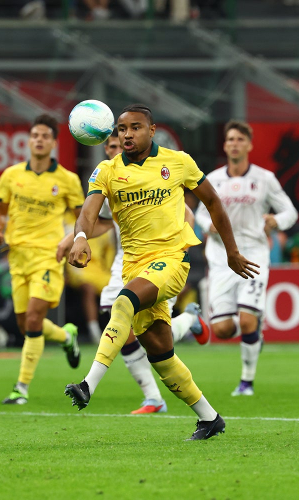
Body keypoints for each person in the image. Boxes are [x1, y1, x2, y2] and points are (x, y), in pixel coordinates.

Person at [64, 104, 258, 440]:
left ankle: (88, 384)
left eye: (135, 127)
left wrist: (232, 252)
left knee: (122, 303)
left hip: (171, 260)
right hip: (134, 266)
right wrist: (80, 237)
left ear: (152, 130)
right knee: (161, 354)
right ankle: (210, 419)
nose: (127, 134)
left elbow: (213, 202)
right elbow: (89, 213)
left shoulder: (178, 162)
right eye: (122, 129)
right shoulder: (106, 171)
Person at [58, 128, 211, 415]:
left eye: (121, 144)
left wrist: (178, 248)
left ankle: (188, 323)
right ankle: (157, 395)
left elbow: (187, 213)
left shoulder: (156, 172)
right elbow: (102, 221)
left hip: (162, 262)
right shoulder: (111, 177)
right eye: (111, 146)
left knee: (140, 324)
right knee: (130, 325)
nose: (117, 149)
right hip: (128, 261)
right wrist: (75, 238)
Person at [195, 120, 298, 396]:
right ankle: (255, 337)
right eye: (230, 139)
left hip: (253, 254)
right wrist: (207, 225)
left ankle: (246, 382)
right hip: (221, 259)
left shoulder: (265, 179)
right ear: (224, 145)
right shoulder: (213, 179)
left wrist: (276, 221)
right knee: (223, 330)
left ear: (249, 145)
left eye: (240, 139)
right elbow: (200, 214)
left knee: (247, 321)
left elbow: (290, 212)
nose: (235, 144)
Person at [0, 114, 82, 405]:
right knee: (25, 324)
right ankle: (66, 337)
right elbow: (1, 212)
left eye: (45, 136)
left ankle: (21, 388)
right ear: (28, 141)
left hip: (48, 255)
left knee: (32, 318)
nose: (39, 140)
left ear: (54, 143)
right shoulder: (11, 175)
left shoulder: (67, 180)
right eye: (34, 135)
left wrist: (71, 240)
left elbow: (82, 219)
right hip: (17, 257)